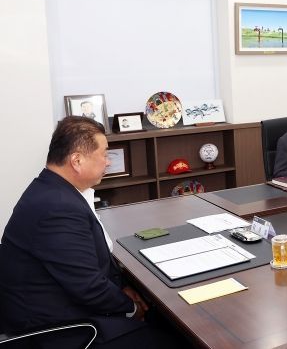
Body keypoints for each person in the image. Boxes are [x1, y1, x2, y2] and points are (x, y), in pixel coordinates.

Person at [0, 116, 179, 348]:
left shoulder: (50, 189)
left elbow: (87, 269)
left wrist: (122, 289)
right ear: (77, 160)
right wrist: (131, 307)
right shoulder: (57, 207)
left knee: (162, 317)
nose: (108, 162)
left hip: (60, 309)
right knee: (177, 336)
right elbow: (89, 288)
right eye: (104, 154)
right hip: (62, 331)